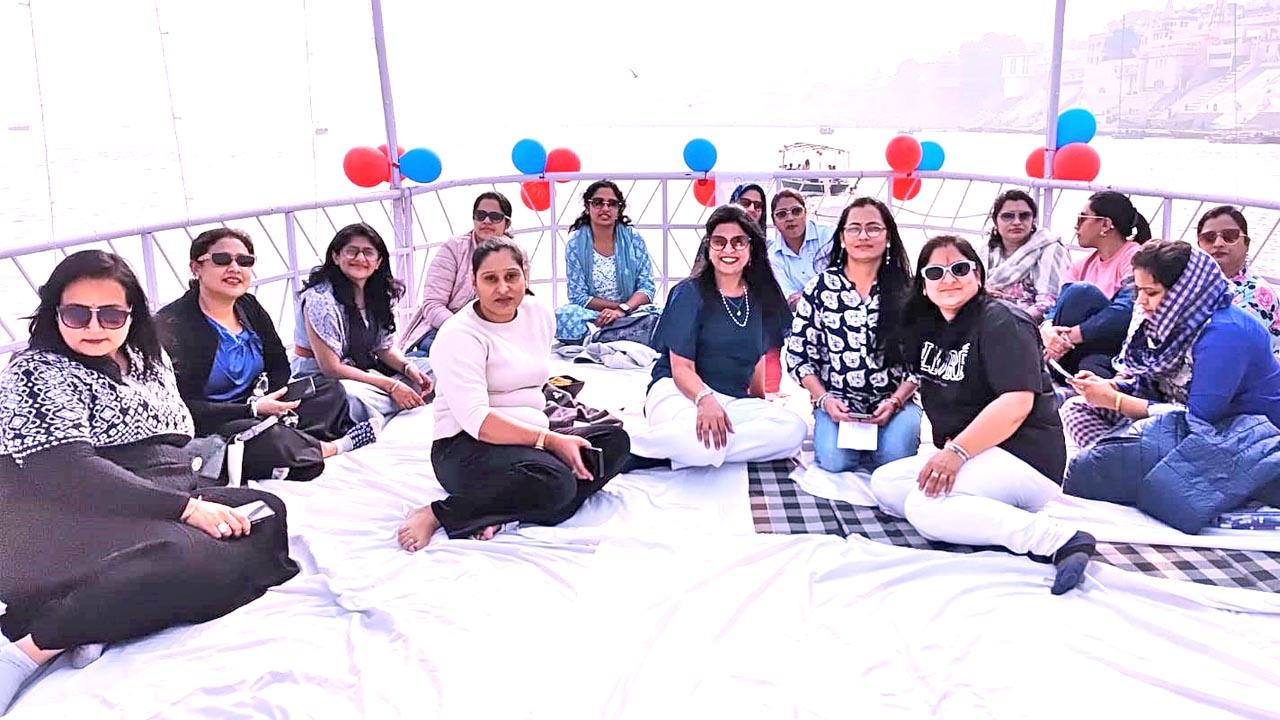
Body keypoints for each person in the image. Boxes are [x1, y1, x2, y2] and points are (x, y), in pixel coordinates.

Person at [0, 250, 298, 713]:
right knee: (183, 554)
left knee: (263, 512)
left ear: (132, 313)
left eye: (110, 314)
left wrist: (190, 500)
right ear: (55, 312)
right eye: (77, 314)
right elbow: (69, 472)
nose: (93, 327)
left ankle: (109, 614)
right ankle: (31, 647)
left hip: (161, 497)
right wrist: (187, 510)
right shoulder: (35, 371)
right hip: (68, 516)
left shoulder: (147, 357)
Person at [869, 236, 1095, 596]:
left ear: (977, 275)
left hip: (1025, 457)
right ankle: (983, 512)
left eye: (959, 269)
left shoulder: (1002, 321)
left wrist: (956, 453)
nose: (948, 279)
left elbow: (1016, 403)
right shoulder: (934, 326)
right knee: (886, 484)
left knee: (925, 508)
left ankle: (1059, 538)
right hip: (981, 452)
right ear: (924, 286)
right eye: (935, 272)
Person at [396, 238, 629, 549]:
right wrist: (551, 441)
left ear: (525, 277)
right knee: (556, 482)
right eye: (490, 279)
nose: (503, 288)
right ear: (474, 284)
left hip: (531, 439)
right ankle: (440, 513)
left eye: (511, 276)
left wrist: (549, 438)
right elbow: (477, 421)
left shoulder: (539, 314)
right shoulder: (459, 336)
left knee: (614, 441)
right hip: (464, 448)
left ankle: (504, 510)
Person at [158, 229, 379, 483]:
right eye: (222, 259)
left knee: (329, 391)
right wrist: (251, 409)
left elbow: (279, 366)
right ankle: (329, 448)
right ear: (196, 268)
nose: (234, 268)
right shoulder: (172, 324)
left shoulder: (248, 307)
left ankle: (292, 447)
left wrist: (272, 401)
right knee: (266, 437)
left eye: (244, 261)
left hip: (260, 404)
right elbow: (179, 406)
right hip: (214, 421)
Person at [627, 205, 807, 470]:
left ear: (751, 248)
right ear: (709, 247)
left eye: (738, 242)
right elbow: (681, 368)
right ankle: (629, 449)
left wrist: (760, 404)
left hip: (733, 400)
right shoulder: (689, 293)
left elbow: (758, 360)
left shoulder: (762, 296)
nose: (728, 250)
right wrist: (705, 400)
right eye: (719, 242)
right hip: (679, 392)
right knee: (696, 438)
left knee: (794, 430)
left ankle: (676, 450)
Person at [1061, 241, 1280, 449]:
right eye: (1138, 291)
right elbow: (1151, 388)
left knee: (1132, 448)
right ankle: (1123, 462)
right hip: (1171, 424)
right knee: (1077, 409)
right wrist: (1111, 387)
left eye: (1151, 292)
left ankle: (1124, 464)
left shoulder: (1225, 333)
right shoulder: (1168, 322)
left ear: (1185, 293)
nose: (1140, 301)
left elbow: (1197, 421)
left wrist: (1117, 400)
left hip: (1233, 438)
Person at [785, 197, 921, 472]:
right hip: (837, 401)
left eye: (873, 228)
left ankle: (883, 442)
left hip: (895, 400)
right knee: (835, 461)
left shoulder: (908, 290)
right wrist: (824, 399)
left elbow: (922, 361)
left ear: (888, 237)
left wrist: (895, 401)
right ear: (842, 238)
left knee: (893, 458)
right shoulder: (820, 288)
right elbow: (798, 357)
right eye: (854, 228)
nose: (863, 236)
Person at [292, 223, 434, 423]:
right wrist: (391, 386)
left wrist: (407, 368)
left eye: (368, 253)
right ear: (336, 257)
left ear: (378, 261)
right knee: (350, 397)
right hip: (326, 382)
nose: (360, 259)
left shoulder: (378, 292)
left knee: (434, 367)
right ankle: (394, 402)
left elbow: (383, 348)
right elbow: (331, 368)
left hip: (365, 371)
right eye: (352, 252)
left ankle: (390, 405)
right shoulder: (320, 299)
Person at [1040, 191, 1152, 378]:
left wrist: (1071, 336)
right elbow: (1058, 307)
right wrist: (1047, 329)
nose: (1076, 226)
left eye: (1082, 218)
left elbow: (1129, 309)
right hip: (1073, 349)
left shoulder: (1134, 257)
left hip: (1115, 344)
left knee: (1082, 293)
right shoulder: (1080, 265)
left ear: (1106, 224)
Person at [401, 191, 516, 357]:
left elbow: (518, 302)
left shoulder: (516, 255)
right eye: (480, 215)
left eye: (495, 217)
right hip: (444, 330)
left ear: (507, 223)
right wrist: (466, 330)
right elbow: (432, 304)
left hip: (495, 332)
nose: (486, 221)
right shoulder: (453, 248)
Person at [554, 180, 658, 344]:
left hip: (632, 310)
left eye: (612, 204)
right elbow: (578, 296)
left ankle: (601, 335)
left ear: (618, 209)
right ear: (587, 207)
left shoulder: (633, 238)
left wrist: (623, 309)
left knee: (661, 315)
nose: (605, 208)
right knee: (563, 316)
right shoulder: (575, 244)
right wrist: (613, 310)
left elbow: (647, 287)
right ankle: (624, 333)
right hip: (595, 314)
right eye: (598, 203)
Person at [1194, 205, 1280, 357]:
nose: (1218, 243)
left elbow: (1228, 347)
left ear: (1246, 243)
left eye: (1229, 236)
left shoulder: (1257, 294)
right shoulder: (1194, 283)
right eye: (1209, 238)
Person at [983, 189, 1070, 323]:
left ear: (1033, 220)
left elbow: (1048, 303)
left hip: (1028, 324)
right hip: (985, 319)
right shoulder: (985, 250)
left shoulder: (1050, 249)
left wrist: (1011, 322)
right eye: (1008, 216)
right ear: (995, 221)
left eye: (1024, 216)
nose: (1017, 222)